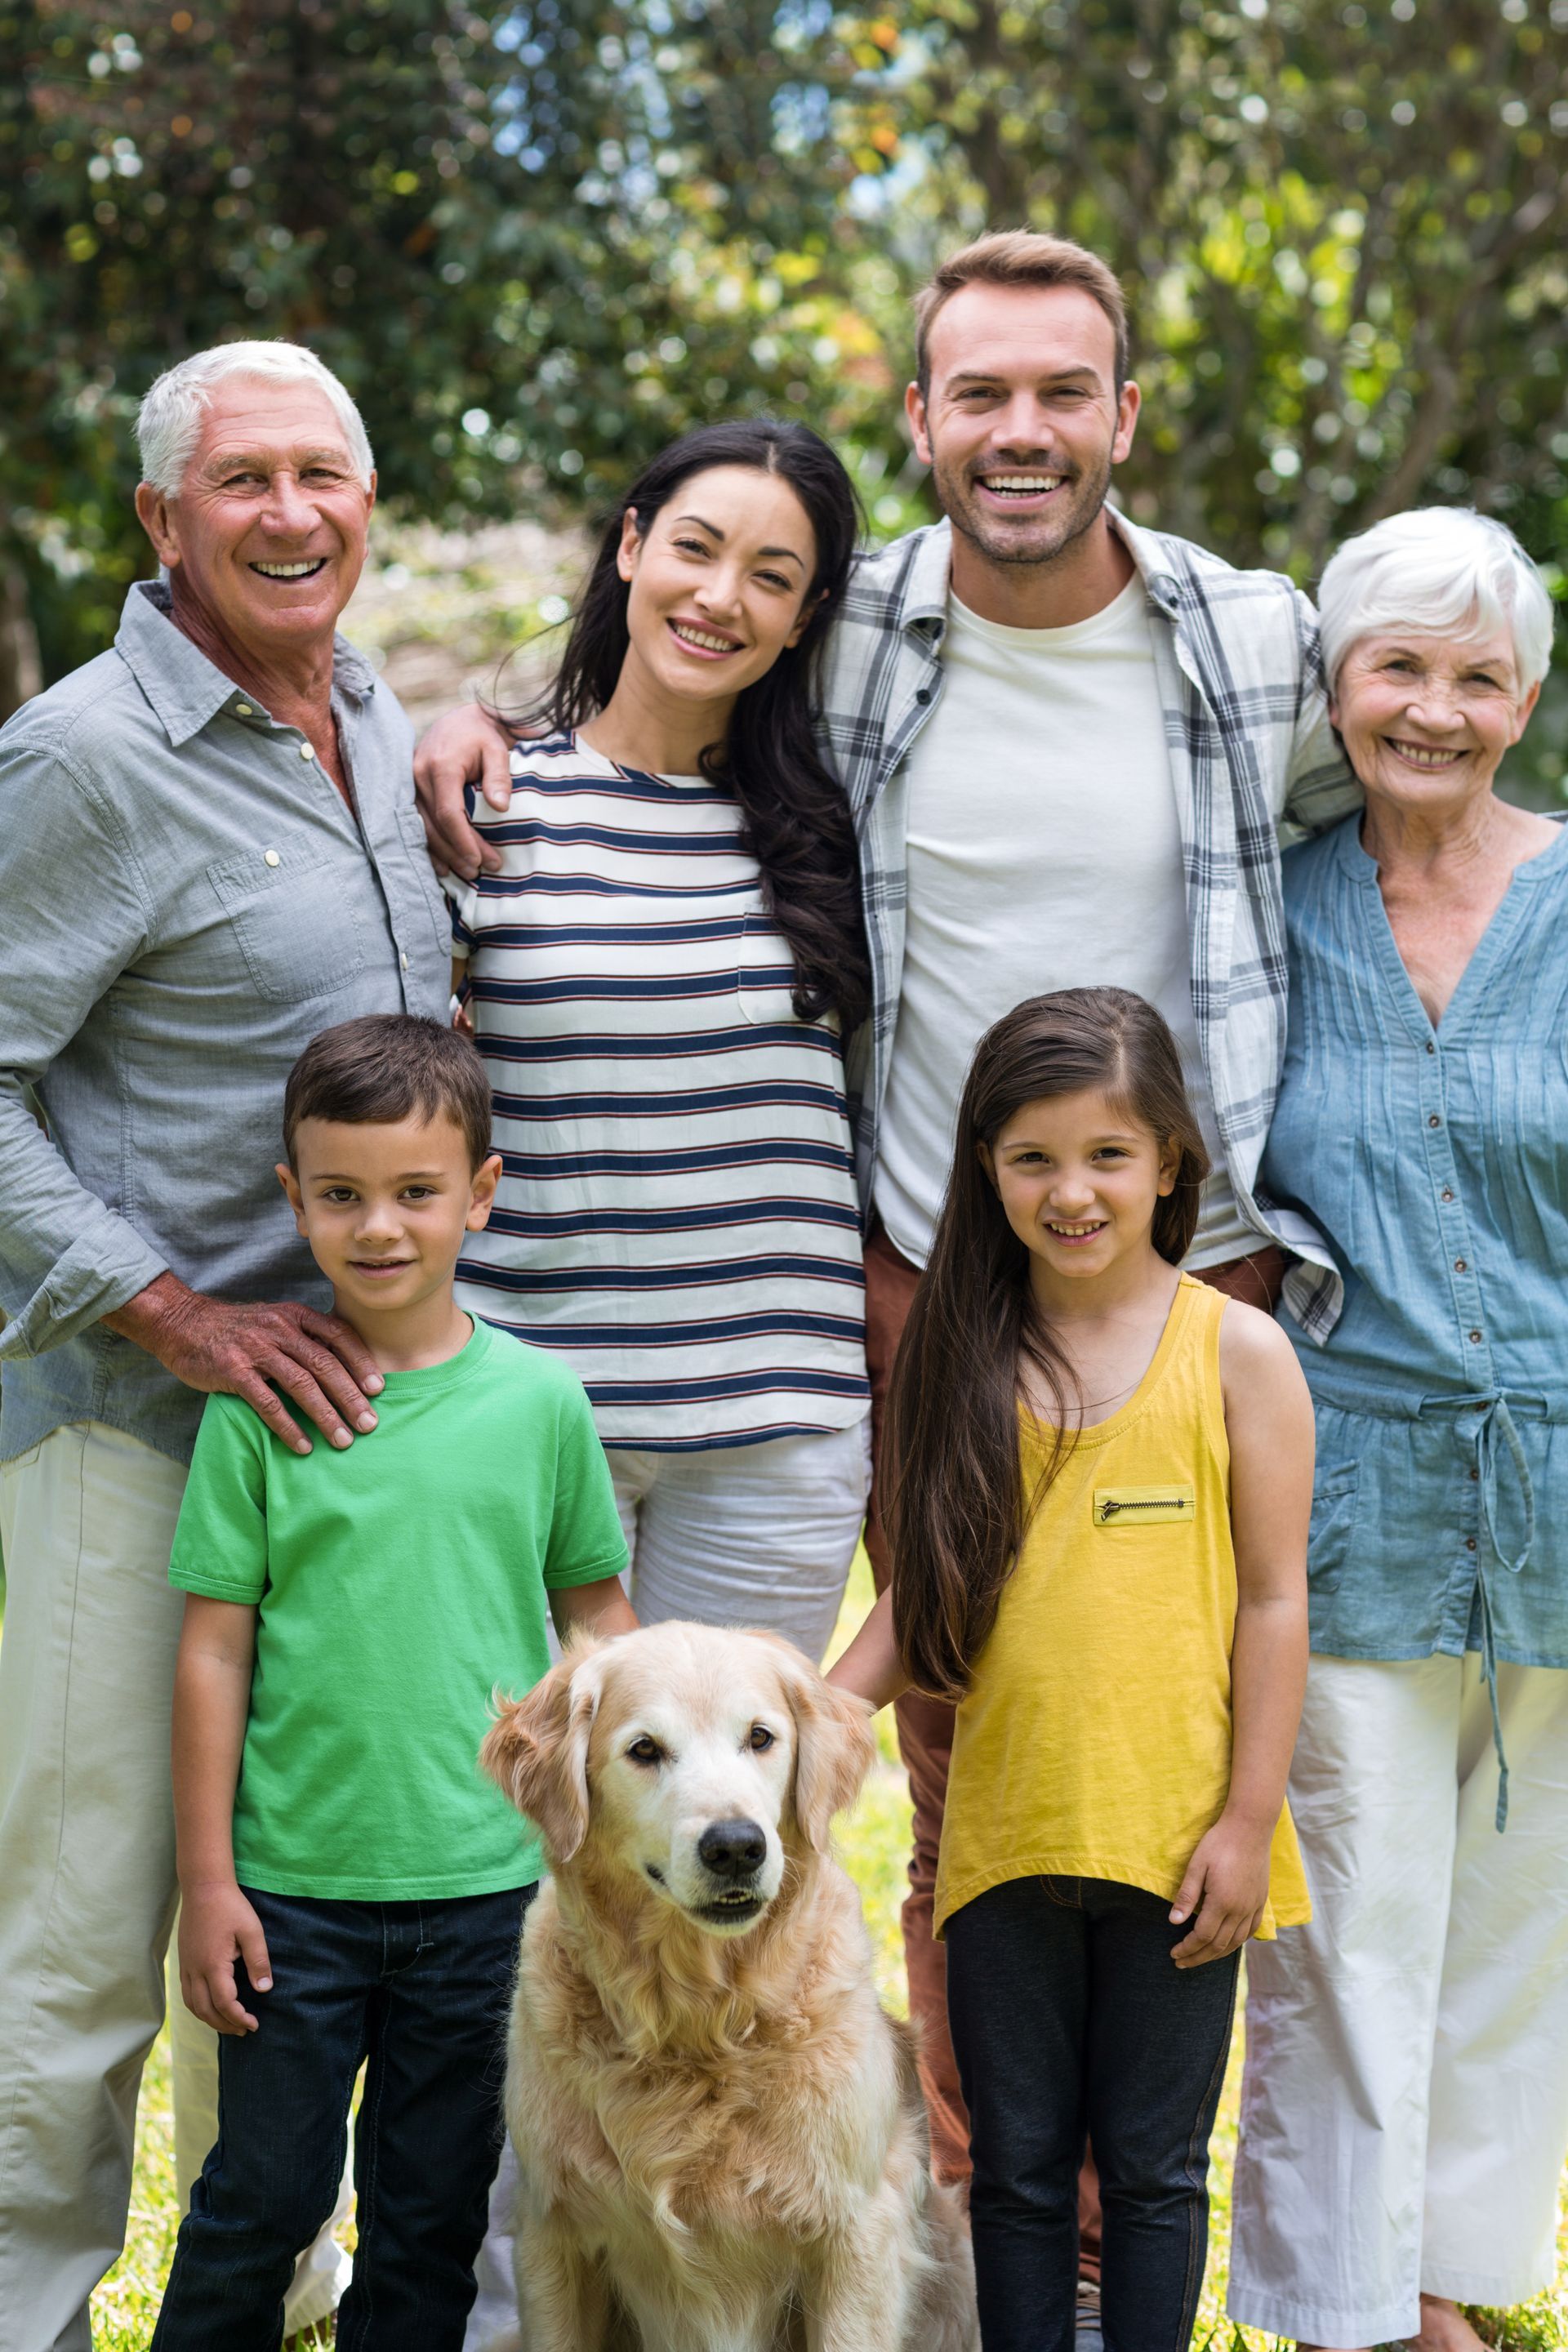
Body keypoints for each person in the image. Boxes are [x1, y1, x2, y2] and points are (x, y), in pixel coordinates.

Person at [412, 231, 1359, 2243]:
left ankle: (1112, 2237)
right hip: (921, 1286)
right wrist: (473, 719)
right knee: (937, 1773)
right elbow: (674, 626)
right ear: (921, 418)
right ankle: (944, 2214)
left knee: (1135, 1759)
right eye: (978, 395)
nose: (1021, 433)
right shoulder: (865, 627)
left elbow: (1422, 754)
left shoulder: (1251, 634)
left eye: (1061, 392)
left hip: (1174, 1277)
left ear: (1126, 410)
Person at [0, 341, 455, 2352]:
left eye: (324, 474)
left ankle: (267, 2287)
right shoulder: (87, 755)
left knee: (278, 1913)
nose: (292, 513)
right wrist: (162, 1305)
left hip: (346, 1451)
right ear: (159, 523)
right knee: (92, 1922)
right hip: (126, 1429)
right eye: (243, 479)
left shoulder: (361, 705)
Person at [828, 987, 1313, 2352]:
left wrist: (1246, 1819)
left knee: (1155, 2177)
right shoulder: (961, 1357)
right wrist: (803, 1718)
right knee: (1019, 2177)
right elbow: (921, 1594)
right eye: (1032, 1156)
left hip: (1178, 1852)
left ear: (1172, 1161)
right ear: (983, 1166)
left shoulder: (1241, 1355)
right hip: (1002, 1851)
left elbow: (1276, 1604)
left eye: (1108, 1154)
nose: (1072, 1190)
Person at [150, 1013, 635, 2350]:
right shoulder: (260, 1409)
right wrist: (208, 1883)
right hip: (292, 1899)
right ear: (292, 1197)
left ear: (481, 1195)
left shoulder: (541, 1404)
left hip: (485, 1900)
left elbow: (600, 1625)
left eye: (417, 1192)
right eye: (343, 1194)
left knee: (429, 2213)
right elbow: (212, 1645)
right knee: (263, 2196)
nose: (380, 1226)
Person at [1225, 510, 1568, 2352]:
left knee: (1523, 1926)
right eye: (1399, 668)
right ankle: (1342, 2308)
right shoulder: (1267, 909)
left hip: (1565, 1489)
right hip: (1341, 1484)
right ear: (1339, 687)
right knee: (1349, 1923)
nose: (1435, 709)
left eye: (1477, 675)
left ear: (1524, 698)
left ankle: (1449, 2291)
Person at [444, 418, 872, 1666]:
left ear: (807, 617)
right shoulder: (487, 803)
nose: (721, 597)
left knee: (727, 1833)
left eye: (773, 577)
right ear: (632, 546)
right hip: (527, 1423)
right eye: (695, 547)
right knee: (520, 1827)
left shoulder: (838, 830)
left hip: (777, 1437)